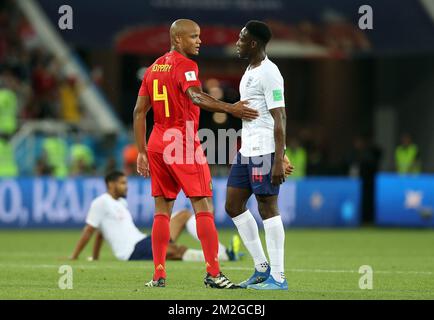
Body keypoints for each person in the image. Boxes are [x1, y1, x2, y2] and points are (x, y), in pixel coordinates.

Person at [133, 19, 259, 289]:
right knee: (203, 207)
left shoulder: (154, 67)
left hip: (157, 141)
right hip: (182, 141)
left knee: (161, 210)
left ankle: (158, 275)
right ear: (178, 40)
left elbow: (139, 112)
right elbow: (196, 96)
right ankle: (214, 274)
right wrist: (232, 108)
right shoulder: (186, 65)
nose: (199, 41)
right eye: (193, 37)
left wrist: (141, 151)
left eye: (199, 36)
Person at [225, 21, 294, 290]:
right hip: (246, 150)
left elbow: (280, 116)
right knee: (232, 205)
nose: (237, 41)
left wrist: (279, 158)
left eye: (241, 38)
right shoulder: (250, 69)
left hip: (265, 151)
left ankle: (278, 277)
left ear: (253, 43)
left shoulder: (269, 72)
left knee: (267, 207)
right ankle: (261, 267)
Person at [69, 171, 241, 262]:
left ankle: (220, 250)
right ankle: (224, 256)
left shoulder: (120, 203)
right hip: (131, 252)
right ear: (110, 184)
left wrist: (96, 256)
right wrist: (74, 256)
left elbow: (101, 233)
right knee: (175, 250)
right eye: (122, 183)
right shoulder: (100, 202)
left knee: (184, 215)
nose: (126, 187)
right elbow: (90, 231)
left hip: (143, 240)